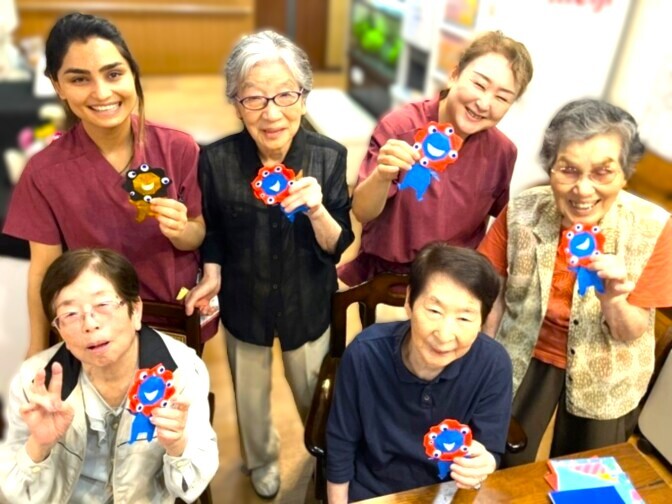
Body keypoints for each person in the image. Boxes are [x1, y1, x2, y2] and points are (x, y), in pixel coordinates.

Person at [185, 30, 354, 498]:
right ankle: (260, 461)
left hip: (307, 302)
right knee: (250, 397)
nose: (272, 112)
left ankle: (326, 457)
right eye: (254, 98)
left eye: (284, 95)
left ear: (303, 97)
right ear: (236, 105)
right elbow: (213, 230)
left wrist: (317, 209)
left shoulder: (329, 157)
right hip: (245, 302)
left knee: (314, 394)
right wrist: (211, 270)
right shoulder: (215, 160)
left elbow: (338, 245)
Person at [478, 98, 672, 466]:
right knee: (498, 460)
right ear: (550, 167)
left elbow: (631, 332)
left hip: (609, 366)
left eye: (603, 172)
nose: (583, 189)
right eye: (568, 170)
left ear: (625, 174)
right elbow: (493, 297)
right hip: (523, 348)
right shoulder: (522, 211)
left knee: (589, 472)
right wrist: (481, 364)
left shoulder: (655, 228)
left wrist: (614, 299)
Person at [2, 13, 206, 358]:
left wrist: (181, 229)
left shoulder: (178, 148)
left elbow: (198, 233)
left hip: (172, 319)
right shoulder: (43, 172)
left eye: (114, 74)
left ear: (133, 73)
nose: (102, 92)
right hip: (93, 327)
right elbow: (44, 270)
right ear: (58, 87)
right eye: (79, 79)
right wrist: (37, 347)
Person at [0, 248, 218, 503]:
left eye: (103, 305)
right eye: (70, 314)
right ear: (58, 328)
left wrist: (178, 446)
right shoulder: (34, 383)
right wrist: (39, 446)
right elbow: (16, 492)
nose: (90, 324)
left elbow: (191, 488)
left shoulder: (182, 370)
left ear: (135, 311)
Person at [338, 31, 534, 287]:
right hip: (385, 279)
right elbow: (362, 212)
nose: (484, 103)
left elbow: (496, 223)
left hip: (453, 283)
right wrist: (382, 175)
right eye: (479, 85)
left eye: (502, 97)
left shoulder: (502, 152)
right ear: (454, 75)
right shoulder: (401, 127)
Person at [326, 243, 513, 502]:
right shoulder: (364, 355)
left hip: (448, 492)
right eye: (434, 311)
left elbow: (489, 449)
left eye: (464, 318)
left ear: (482, 320)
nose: (444, 335)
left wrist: (484, 463)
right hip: (374, 491)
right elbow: (340, 444)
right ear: (409, 301)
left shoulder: (493, 365)